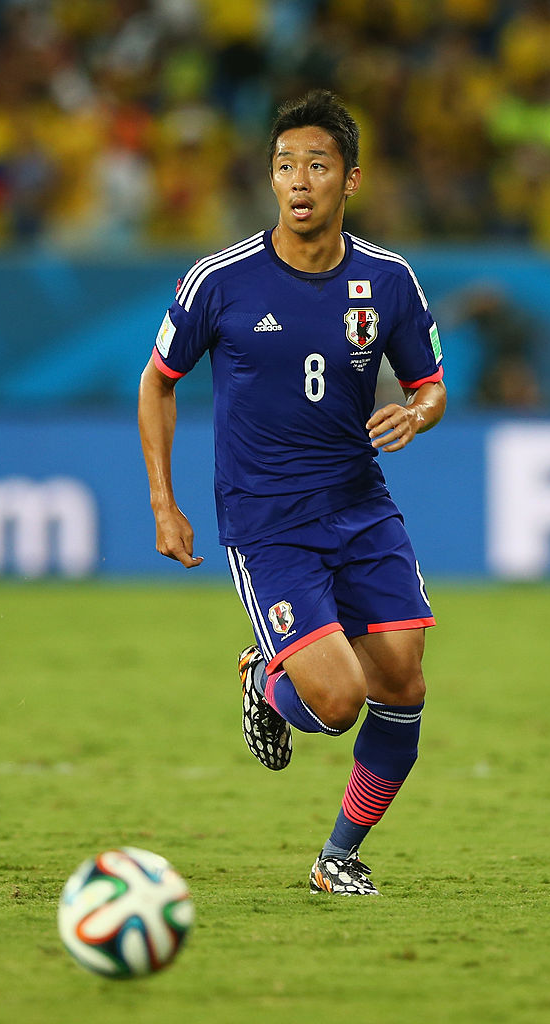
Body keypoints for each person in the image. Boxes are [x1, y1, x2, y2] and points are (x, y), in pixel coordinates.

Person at [138, 90, 447, 895]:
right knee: (339, 702)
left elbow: (431, 385)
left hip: (361, 506)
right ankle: (266, 680)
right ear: (270, 179)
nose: (299, 180)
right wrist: (164, 503)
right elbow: (158, 381)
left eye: (317, 165)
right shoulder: (220, 280)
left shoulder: (388, 279)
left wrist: (416, 413)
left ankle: (337, 858)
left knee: (404, 682)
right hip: (268, 523)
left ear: (352, 179)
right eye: (284, 166)